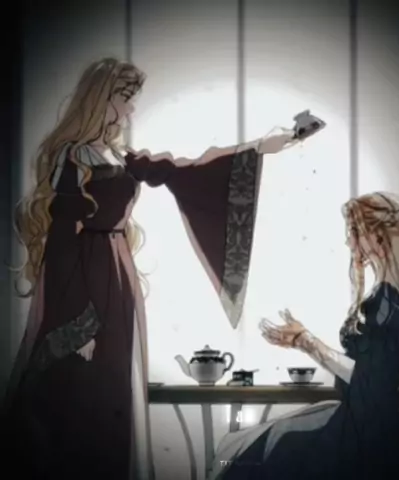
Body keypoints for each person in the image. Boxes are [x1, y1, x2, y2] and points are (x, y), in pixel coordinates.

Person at [0, 57, 320, 480]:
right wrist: (76, 323)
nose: (130, 108)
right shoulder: (75, 156)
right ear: (101, 98)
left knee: (115, 388)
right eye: (123, 98)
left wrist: (262, 146)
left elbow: (188, 170)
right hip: (86, 283)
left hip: (118, 277)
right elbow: (61, 245)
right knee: (85, 398)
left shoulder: (118, 155)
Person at [209, 192, 399, 480]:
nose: (348, 241)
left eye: (354, 231)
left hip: (366, 436)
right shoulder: (392, 297)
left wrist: (306, 342)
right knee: (266, 439)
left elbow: (367, 378)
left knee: (271, 448)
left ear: (377, 236)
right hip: (368, 423)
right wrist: (303, 342)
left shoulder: (385, 302)